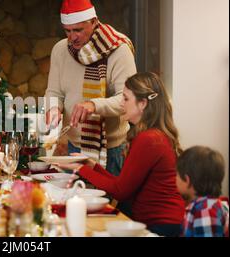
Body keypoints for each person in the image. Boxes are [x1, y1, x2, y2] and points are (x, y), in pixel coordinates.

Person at [55, 72, 185, 237]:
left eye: (125, 98)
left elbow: (120, 191)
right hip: (162, 222)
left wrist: (81, 169)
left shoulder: (149, 139)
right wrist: (92, 165)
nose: (121, 104)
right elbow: (123, 184)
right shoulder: (153, 135)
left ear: (143, 103)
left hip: (161, 226)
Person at [44, 0, 137, 176]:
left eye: (78, 30)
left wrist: (93, 105)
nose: (72, 37)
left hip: (112, 149)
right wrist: (54, 108)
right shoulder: (60, 50)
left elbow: (127, 100)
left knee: (109, 202)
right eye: (67, 31)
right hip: (74, 146)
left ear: (94, 21)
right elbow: (54, 91)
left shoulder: (118, 50)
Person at [176, 146, 229, 237]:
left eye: (176, 175)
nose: (174, 179)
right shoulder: (204, 206)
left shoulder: (205, 210)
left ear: (187, 180)